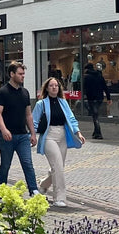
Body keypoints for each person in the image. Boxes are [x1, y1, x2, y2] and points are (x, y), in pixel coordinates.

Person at [32, 77, 84, 207]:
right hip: (49, 136)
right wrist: (32, 135)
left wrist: (78, 132)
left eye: (56, 85)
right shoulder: (41, 104)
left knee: (58, 167)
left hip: (62, 136)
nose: (54, 87)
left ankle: (43, 184)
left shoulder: (63, 102)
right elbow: (33, 121)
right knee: (58, 166)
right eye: (51, 86)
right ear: (47, 88)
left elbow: (71, 118)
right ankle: (59, 198)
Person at [0, 62, 39, 195]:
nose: (23, 76)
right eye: (20, 74)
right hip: (7, 136)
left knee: (27, 163)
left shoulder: (25, 93)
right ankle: (2, 191)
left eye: (23, 73)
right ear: (12, 74)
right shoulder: (3, 92)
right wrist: (4, 129)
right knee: (5, 165)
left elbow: (28, 115)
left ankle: (33, 190)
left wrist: (33, 133)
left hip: (23, 136)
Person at [82, 63, 108, 140]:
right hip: (99, 98)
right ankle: (95, 132)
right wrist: (108, 98)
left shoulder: (86, 77)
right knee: (95, 114)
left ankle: (98, 133)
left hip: (91, 99)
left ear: (87, 69)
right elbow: (105, 87)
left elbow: (84, 88)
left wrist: (84, 96)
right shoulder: (99, 75)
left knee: (95, 116)